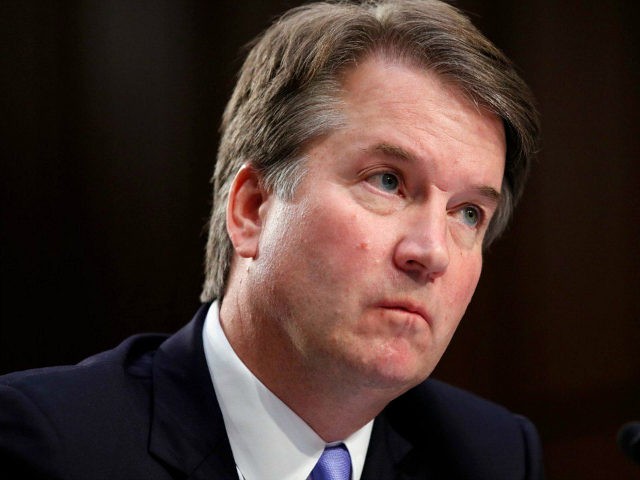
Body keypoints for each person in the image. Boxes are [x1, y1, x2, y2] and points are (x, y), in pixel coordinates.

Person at [0, 0, 543, 478]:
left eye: (468, 212)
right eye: (387, 181)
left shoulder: (490, 455)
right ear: (253, 209)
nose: (431, 252)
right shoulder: (51, 447)